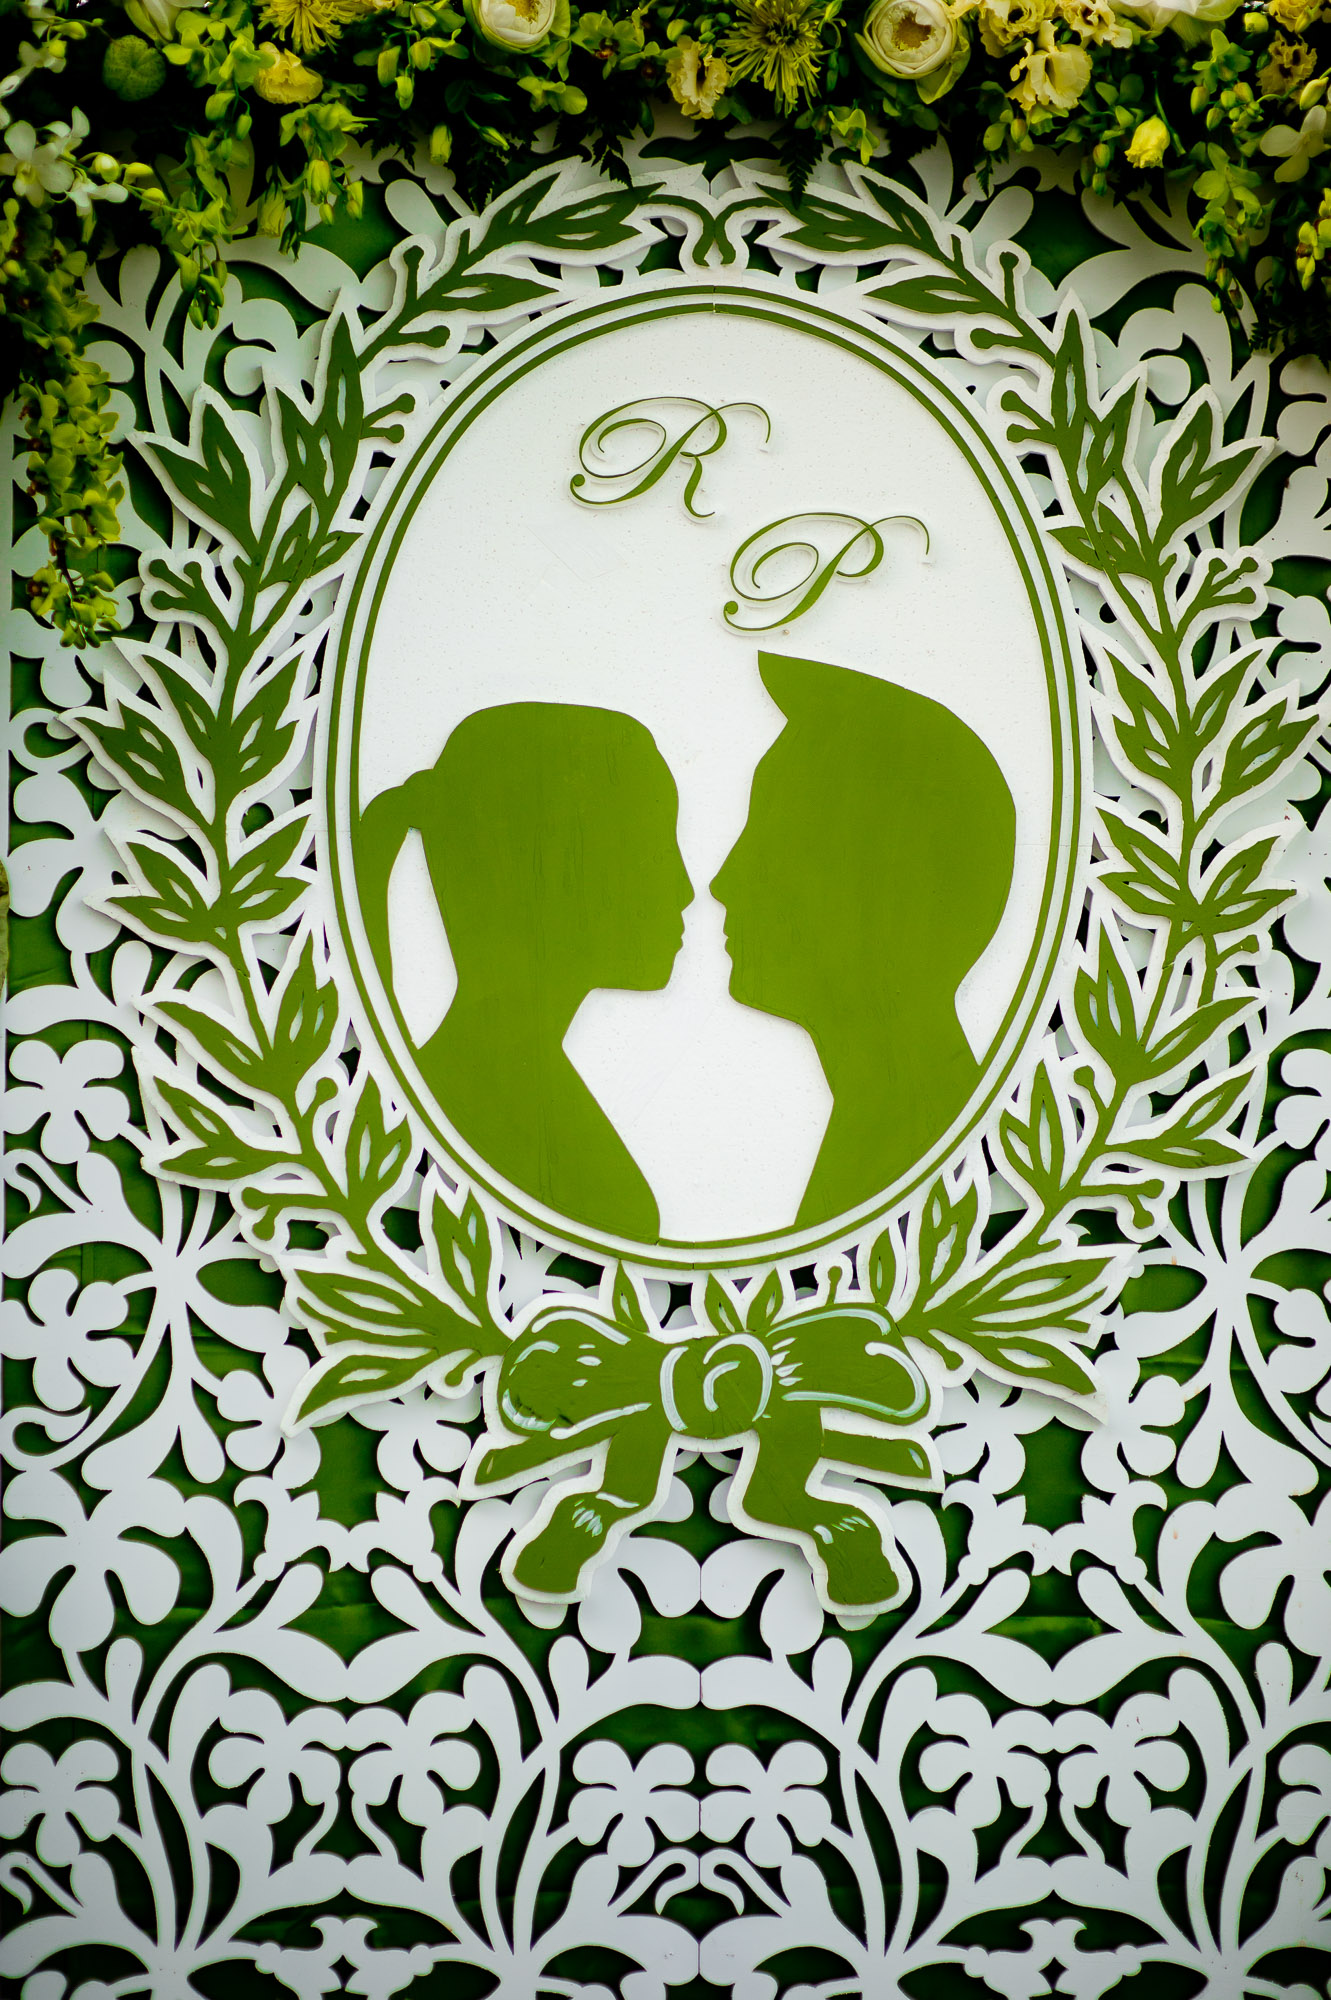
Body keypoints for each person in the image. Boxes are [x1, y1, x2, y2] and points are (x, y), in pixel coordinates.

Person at [354, 702, 692, 1242]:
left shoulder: (460, 1088)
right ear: (558, 870)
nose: (685, 888)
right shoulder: (527, 1128)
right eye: (652, 848)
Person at [711, 653, 1015, 1227]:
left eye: (774, 845)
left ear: (882, 884)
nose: (724, 881)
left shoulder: (915, 1150)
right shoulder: (898, 1131)